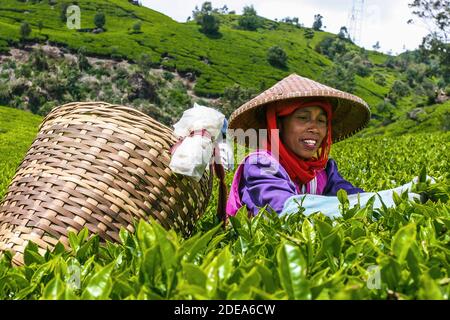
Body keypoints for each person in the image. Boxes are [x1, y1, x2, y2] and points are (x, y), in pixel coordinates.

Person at [225, 73, 421, 219]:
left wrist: (398, 196)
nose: (315, 128)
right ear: (279, 124)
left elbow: (353, 198)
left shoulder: (323, 170)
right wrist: (395, 196)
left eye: (321, 121)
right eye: (303, 118)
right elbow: (287, 210)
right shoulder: (261, 165)